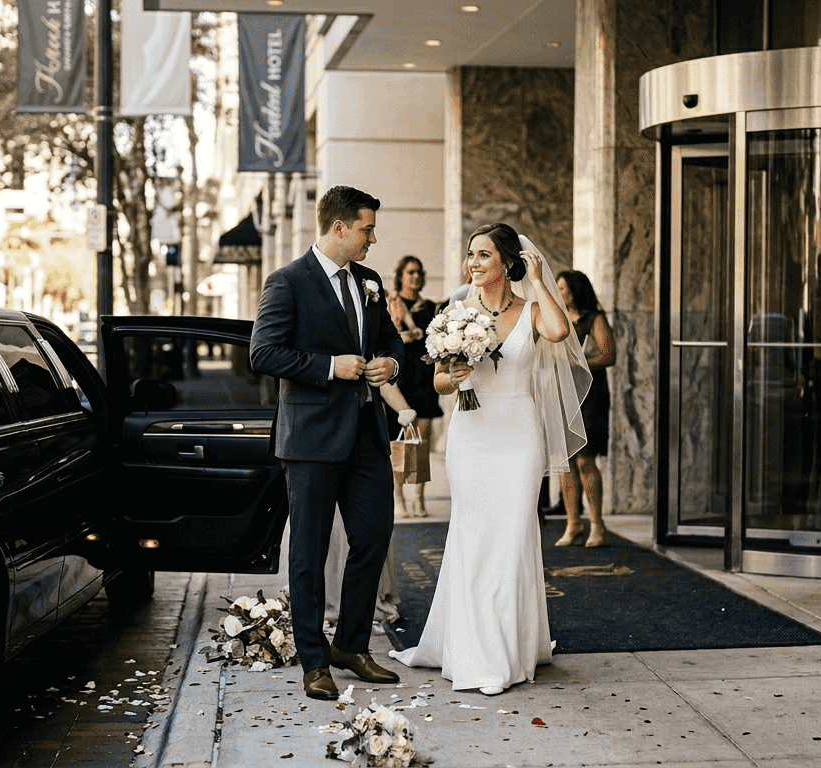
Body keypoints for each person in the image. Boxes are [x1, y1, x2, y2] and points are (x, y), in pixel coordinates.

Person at [389, 222, 590, 696]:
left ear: (506, 263)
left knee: (513, 539)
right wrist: (453, 375)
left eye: (483, 255)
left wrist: (539, 278)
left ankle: (509, 649)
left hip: (519, 436)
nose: (473, 264)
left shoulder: (532, 309)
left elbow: (560, 331)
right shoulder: (455, 311)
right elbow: (438, 382)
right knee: (474, 540)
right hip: (471, 436)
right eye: (470, 255)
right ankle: (476, 650)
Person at [249, 185, 405, 701]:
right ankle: (314, 661)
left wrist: (390, 362)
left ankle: (352, 645)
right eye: (366, 228)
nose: (372, 239)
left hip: (366, 433)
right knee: (310, 553)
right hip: (312, 440)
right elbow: (264, 354)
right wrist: (327, 367)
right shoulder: (287, 281)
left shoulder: (370, 282)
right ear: (338, 228)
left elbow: (390, 339)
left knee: (373, 537)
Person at [325, 384, 419, 630]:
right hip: (325, 432)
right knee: (334, 527)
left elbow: (382, 378)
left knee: (371, 527)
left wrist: (403, 409)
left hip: (366, 433)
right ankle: (332, 599)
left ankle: (363, 602)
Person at [552, 269, 615, 548]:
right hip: (563, 393)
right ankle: (573, 523)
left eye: (564, 288)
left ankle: (597, 524)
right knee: (565, 462)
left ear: (577, 290)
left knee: (585, 460)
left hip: (590, 395)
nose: (560, 292)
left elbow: (607, 354)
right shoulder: (556, 318)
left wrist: (575, 362)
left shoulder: (594, 318)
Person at [385, 255, 444, 517]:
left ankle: (419, 498)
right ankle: (399, 497)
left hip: (424, 380)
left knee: (421, 444)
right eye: (410, 272)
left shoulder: (430, 308)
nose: (415, 277)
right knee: (400, 444)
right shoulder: (390, 305)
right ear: (400, 276)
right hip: (400, 381)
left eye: (419, 272)